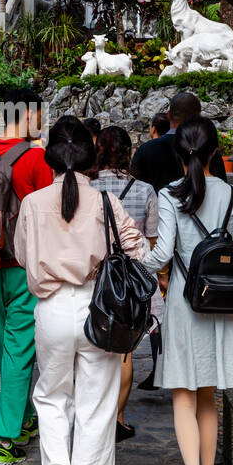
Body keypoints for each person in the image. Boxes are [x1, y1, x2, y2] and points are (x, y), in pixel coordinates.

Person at [13, 116, 148, 465]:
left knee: (51, 394)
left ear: (50, 157)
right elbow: (137, 249)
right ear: (90, 158)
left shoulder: (32, 203)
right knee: (97, 401)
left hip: (51, 308)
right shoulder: (107, 202)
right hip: (98, 308)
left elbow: (22, 255)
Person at [141, 115, 233, 465]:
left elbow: (162, 255)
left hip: (186, 307)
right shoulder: (230, 195)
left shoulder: (170, 195)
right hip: (223, 307)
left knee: (182, 393)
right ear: (215, 152)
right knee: (209, 395)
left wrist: (134, 254)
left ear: (178, 152)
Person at [0, 86, 54, 465]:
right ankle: (3, 439)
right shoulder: (37, 158)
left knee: (1, 349)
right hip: (24, 269)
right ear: (30, 115)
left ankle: (23, 419)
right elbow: (51, 218)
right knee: (19, 352)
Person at [89, 126, 159, 443]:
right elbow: (153, 240)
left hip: (95, 276)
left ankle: (95, 418)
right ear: (128, 152)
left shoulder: (88, 187)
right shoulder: (144, 190)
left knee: (94, 348)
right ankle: (117, 417)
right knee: (125, 352)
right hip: (130, 280)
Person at [131, 91, 200, 192]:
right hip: (194, 206)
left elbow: (133, 188)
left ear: (168, 115)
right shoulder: (205, 150)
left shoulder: (145, 150)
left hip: (153, 206)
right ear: (199, 116)